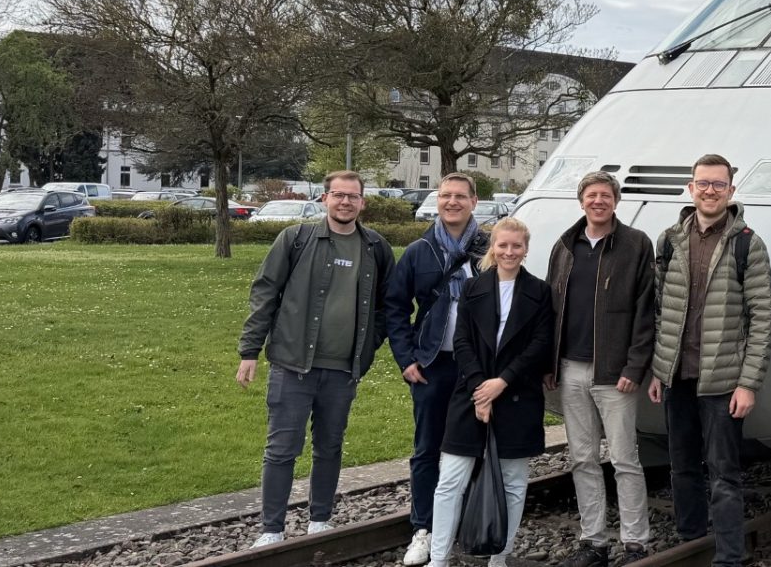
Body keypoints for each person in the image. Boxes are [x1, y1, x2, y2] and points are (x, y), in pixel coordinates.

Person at [236, 170, 396, 548]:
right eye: (338, 195)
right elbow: (265, 294)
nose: (345, 202)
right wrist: (250, 351)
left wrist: (368, 348)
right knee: (281, 449)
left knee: (330, 446)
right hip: (293, 367)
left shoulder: (376, 248)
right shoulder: (295, 239)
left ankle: (320, 519)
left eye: (352, 196)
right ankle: (272, 529)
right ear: (324, 199)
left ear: (362, 202)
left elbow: (387, 308)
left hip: (342, 371)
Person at [647, 153, 771, 567]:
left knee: (724, 474)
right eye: (703, 183)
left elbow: (761, 318)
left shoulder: (747, 243)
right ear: (691, 187)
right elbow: (658, 308)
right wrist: (657, 368)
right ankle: (691, 541)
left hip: (722, 382)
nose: (710, 191)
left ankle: (729, 556)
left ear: (731, 191)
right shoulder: (669, 239)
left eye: (719, 184)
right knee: (682, 465)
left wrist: (748, 383)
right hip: (677, 376)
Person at [425, 218, 555, 567]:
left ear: (525, 250)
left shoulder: (540, 292)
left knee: (513, 484)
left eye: (516, 246)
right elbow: (462, 340)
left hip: (518, 396)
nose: (509, 252)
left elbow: (541, 345)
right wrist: (482, 390)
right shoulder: (472, 289)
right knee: (450, 481)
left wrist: (503, 382)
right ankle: (438, 560)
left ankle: (500, 559)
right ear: (492, 248)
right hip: (471, 392)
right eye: (503, 245)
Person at [546, 171, 658, 567]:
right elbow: (551, 310)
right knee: (582, 459)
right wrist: (550, 363)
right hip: (571, 369)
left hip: (615, 374)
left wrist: (636, 365)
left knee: (625, 459)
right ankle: (593, 541)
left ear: (615, 201)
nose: (598, 201)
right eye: (591, 195)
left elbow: (647, 312)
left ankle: (635, 543)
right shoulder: (565, 245)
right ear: (581, 201)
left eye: (605, 195)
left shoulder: (636, 245)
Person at [384, 173, 489, 566]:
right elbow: (395, 307)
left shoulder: (492, 248)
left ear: (474, 202)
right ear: (437, 201)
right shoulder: (419, 251)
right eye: (445, 196)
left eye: (460, 196)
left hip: (477, 366)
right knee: (428, 448)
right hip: (433, 363)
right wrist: (406, 358)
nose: (452, 202)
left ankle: (468, 523)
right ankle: (424, 528)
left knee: (475, 445)